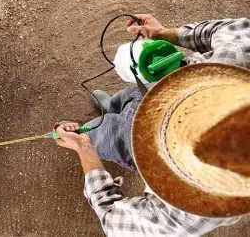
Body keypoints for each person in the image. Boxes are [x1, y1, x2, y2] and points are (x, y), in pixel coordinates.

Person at [54, 14, 250, 236]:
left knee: (106, 136)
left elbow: (113, 220)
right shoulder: (236, 57)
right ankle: (112, 109)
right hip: (168, 90)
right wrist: (164, 33)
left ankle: (95, 133)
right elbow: (234, 29)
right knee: (131, 97)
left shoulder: (203, 205)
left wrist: (85, 149)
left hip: (139, 137)